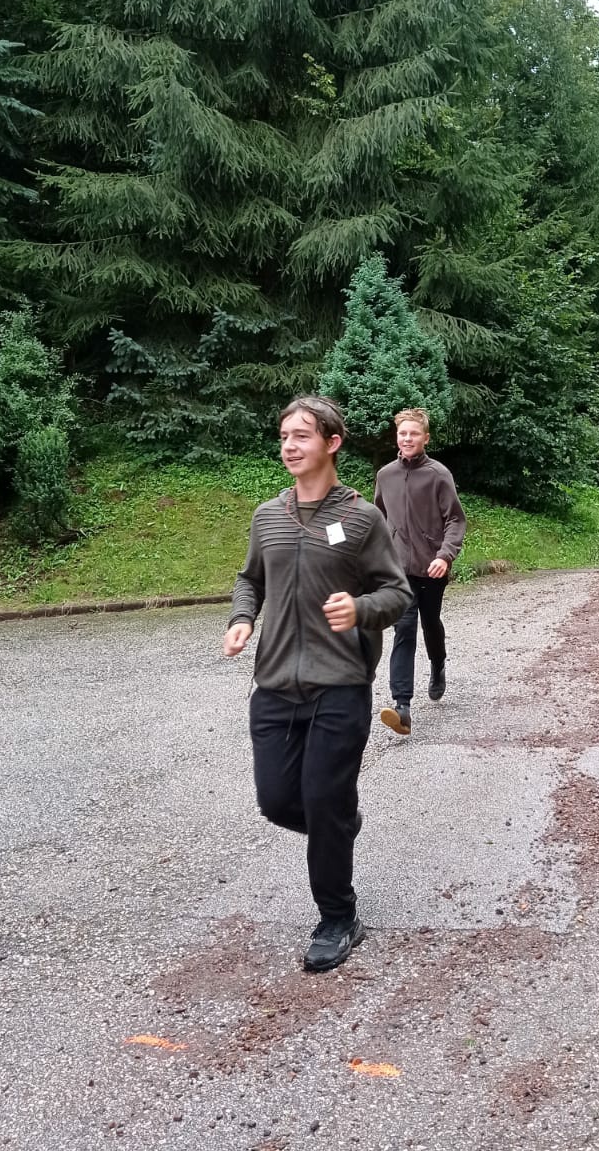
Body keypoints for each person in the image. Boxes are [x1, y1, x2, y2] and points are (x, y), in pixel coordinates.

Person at [223, 396, 411, 974]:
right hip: (275, 682)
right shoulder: (268, 516)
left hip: (339, 684)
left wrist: (359, 608)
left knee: (324, 799)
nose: (289, 446)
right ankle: (338, 824)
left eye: (301, 436)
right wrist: (242, 618)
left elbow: (397, 593)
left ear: (332, 443)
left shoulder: (360, 518)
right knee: (277, 800)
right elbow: (250, 579)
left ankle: (337, 917)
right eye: (284, 436)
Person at [373, 407, 466, 737]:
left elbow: (455, 519)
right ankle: (402, 707)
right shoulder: (386, 475)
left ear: (425, 438)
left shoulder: (438, 475)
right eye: (402, 433)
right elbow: (380, 518)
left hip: (432, 568)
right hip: (399, 569)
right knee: (404, 628)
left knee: (430, 623)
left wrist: (445, 556)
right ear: (396, 437)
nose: (407, 438)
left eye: (414, 433)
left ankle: (438, 663)